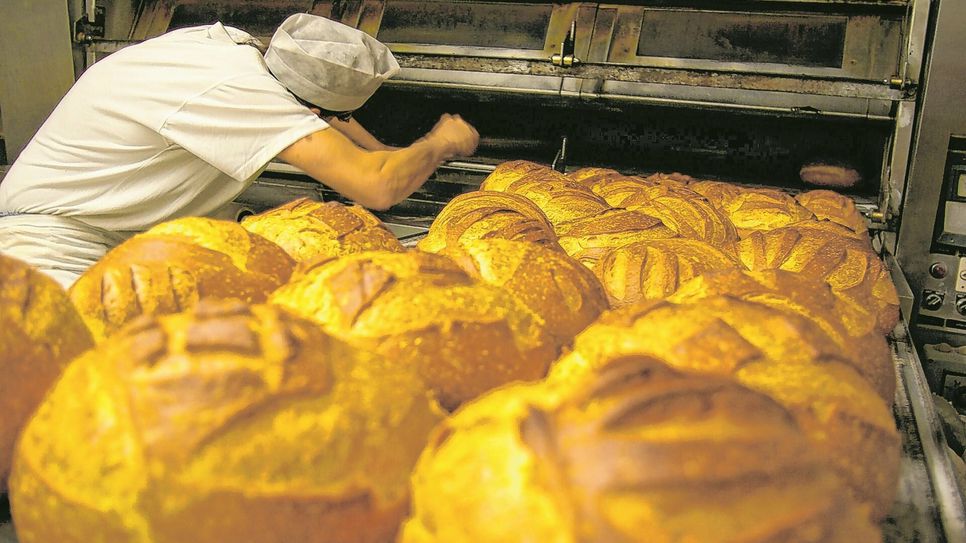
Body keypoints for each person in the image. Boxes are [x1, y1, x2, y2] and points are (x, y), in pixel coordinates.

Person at [0, 13, 479, 287]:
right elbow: (376, 185)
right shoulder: (238, 92)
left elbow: (336, 119)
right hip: (49, 249)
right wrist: (439, 143)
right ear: (308, 110)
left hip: (115, 239)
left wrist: (395, 151)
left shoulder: (231, 52)